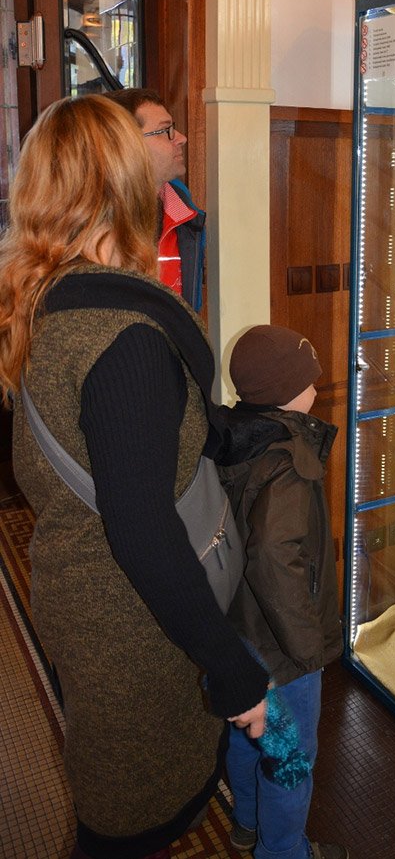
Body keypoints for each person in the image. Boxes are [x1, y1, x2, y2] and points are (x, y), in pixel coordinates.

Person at [0, 94, 269, 859]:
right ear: (124, 186)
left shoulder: (46, 301)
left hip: (78, 595)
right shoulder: (124, 338)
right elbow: (144, 532)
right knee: (124, 822)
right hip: (133, 630)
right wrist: (231, 667)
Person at [218, 325, 348, 859]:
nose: (317, 387)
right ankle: (284, 851)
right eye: (310, 380)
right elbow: (273, 555)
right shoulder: (289, 461)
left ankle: (247, 824)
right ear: (288, 392)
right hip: (281, 648)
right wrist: (307, 646)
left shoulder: (235, 436)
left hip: (237, 628)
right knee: (288, 758)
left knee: (248, 735)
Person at [111, 87, 206, 312]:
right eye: (165, 130)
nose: (181, 138)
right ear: (127, 144)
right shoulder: (92, 218)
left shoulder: (183, 207)